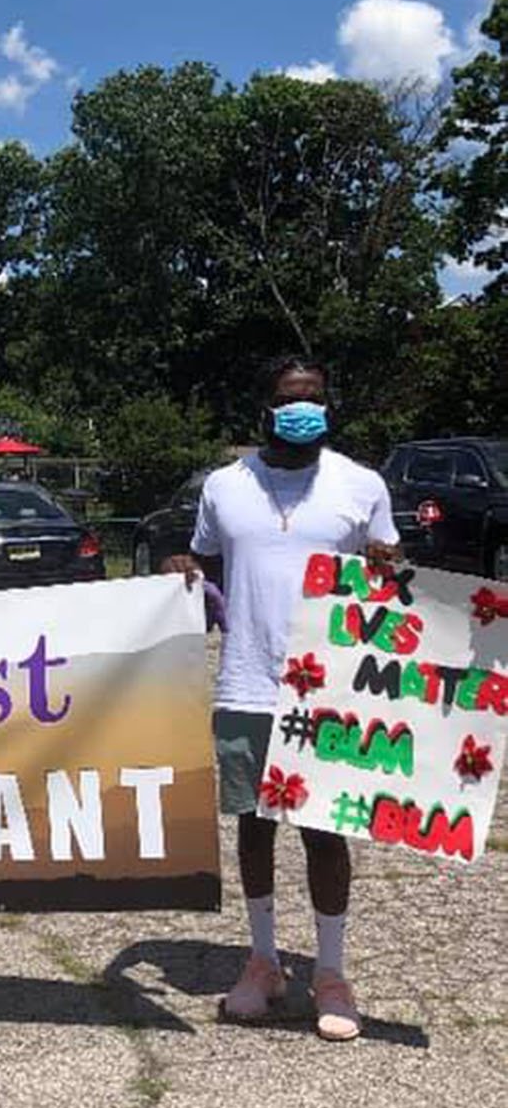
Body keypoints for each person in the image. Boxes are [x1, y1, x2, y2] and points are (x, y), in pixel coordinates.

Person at [165, 359, 399, 1042]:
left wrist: (386, 566)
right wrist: (182, 570)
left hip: (329, 687)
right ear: (264, 410)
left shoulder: (361, 484)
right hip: (246, 683)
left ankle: (330, 972)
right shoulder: (224, 486)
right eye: (289, 399)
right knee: (254, 826)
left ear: (329, 406)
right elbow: (205, 562)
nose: (303, 410)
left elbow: (391, 576)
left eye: (314, 399)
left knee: (325, 831)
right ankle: (263, 960)